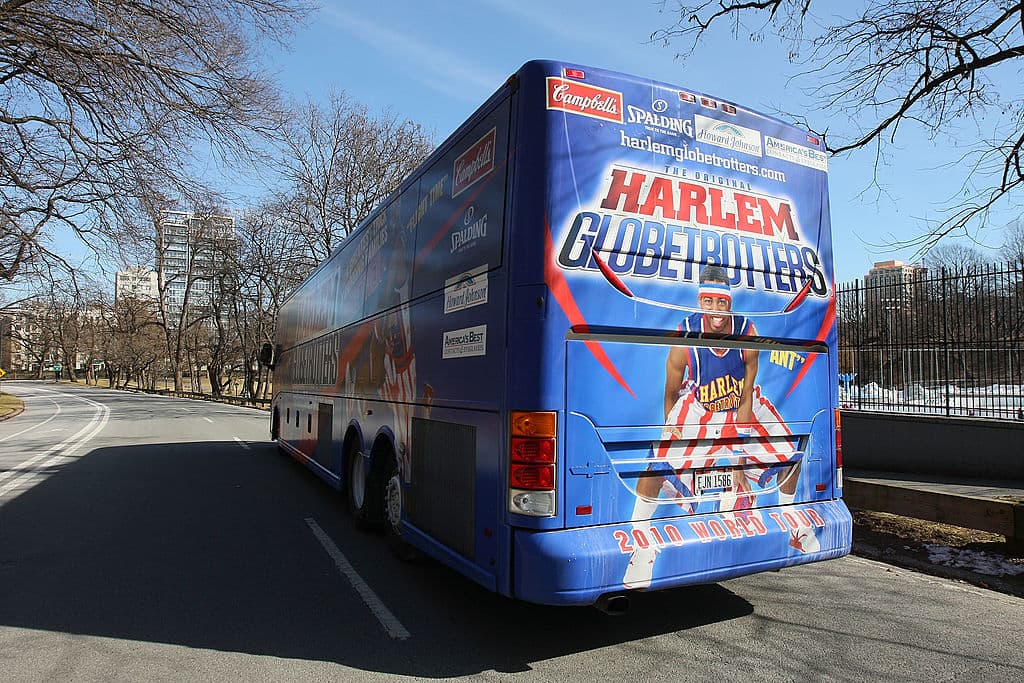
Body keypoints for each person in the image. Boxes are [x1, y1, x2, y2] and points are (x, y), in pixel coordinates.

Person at [622, 265, 814, 589]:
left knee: (790, 452)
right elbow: (670, 394)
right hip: (699, 409)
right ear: (700, 302)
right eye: (708, 302)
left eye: (721, 303)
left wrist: (737, 463)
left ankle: (791, 525)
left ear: (729, 303)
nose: (715, 310)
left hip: (739, 406)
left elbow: (745, 401)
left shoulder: (746, 333)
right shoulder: (684, 338)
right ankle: (640, 544)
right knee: (658, 464)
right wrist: (673, 433)